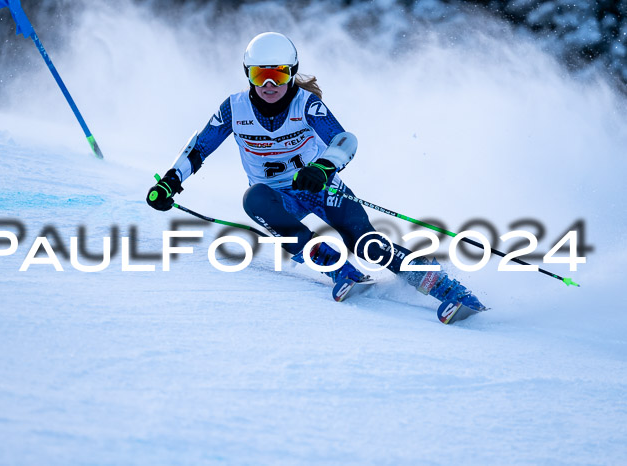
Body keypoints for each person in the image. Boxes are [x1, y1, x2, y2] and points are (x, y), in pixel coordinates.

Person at [147, 32, 485, 311]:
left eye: (277, 74)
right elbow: (199, 147)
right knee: (255, 199)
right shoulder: (234, 108)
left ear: (292, 72)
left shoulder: (305, 104)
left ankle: (448, 289)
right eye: (258, 75)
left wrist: (323, 167)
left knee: (367, 243)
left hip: (321, 187)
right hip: (277, 198)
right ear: (247, 74)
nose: (268, 84)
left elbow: (345, 139)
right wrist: (170, 182)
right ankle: (339, 269)